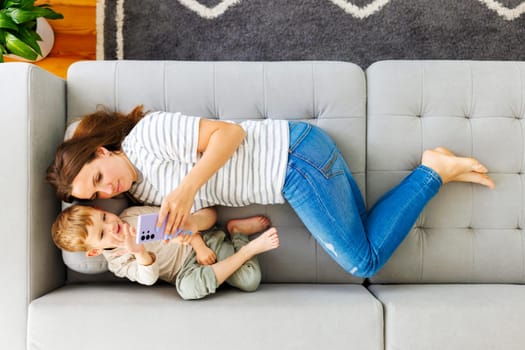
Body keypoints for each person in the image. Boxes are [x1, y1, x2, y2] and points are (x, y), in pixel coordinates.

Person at [47, 105, 495, 277]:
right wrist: (186, 223)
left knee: (363, 261)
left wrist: (185, 189)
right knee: (361, 238)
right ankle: (436, 170)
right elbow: (209, 214)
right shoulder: (143, 192)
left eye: (100, 176)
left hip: (292, 159)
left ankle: (432, 171)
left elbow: (230, 135)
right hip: (296, 165)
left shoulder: (146, 137)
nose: (110, 188)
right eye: (100, 194)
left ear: (102, 150)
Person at [52, 204, 279, 300]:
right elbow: (148, 278)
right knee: (188, 290)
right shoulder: (117, 263)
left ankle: (236, 232)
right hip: (187, 272)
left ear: (101, 210)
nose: (112, 226)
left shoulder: (132, 214)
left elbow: (182, 222)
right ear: (94, 251)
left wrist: (197, 244)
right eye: (102, 234)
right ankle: (244, 244)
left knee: (249, 280)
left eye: (104, 218)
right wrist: (139, 252)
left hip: (204, 245)